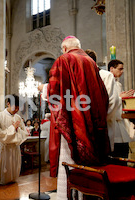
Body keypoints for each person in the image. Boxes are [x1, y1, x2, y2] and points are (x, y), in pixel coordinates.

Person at [39, 36, 110, 200]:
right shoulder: (91, 63)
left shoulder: (63, 59)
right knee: (86, 166)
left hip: (73, 122)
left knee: (68, 161)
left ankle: (67, 196)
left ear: (64, 48)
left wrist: (47, 95)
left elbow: (55, 93)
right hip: (91, 122)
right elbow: (103, 95)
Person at [85, 49, 120, 152]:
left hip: (102, 124)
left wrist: (97, 120)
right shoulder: (81, 76)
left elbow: (112, 102)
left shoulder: (106, 75)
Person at [0, 94, 28, 185]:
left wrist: (17, 129)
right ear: (8, 104)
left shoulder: (18, 117)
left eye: (18, 108)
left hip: (14, 147)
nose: (16, 110)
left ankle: (12, 180)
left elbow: (24, 132)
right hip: (4, 147)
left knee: (13, 167)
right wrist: (12, 128)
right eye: (15, 107)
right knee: (1, 169)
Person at [108, 59, 134, 158]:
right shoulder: (107, 83)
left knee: (125, 151)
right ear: (111, 69)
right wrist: (120, 98)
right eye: (120, 69)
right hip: (113, 121)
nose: (122, 71)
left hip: (121, 120)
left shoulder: (118, 84)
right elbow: (109, 102)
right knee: (117, 153)